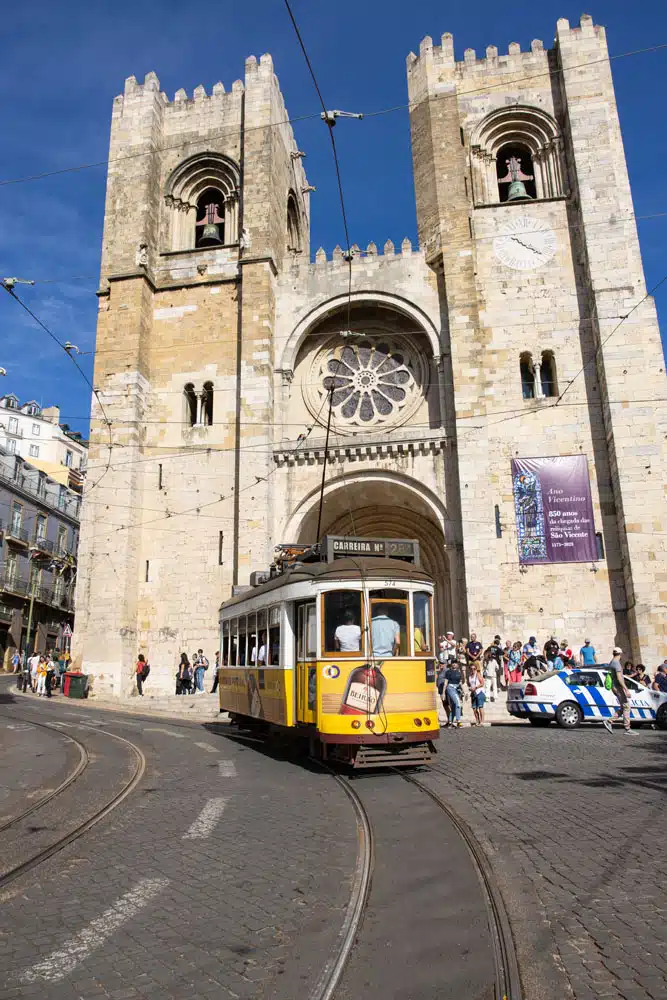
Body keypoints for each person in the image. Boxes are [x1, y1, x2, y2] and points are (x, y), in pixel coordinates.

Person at [603, 646, 634, 735]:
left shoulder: (612, 662)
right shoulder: (616, 663)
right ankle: (627, 729)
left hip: (615, 687)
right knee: (626, 706)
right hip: (618, 687)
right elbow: (619, 678)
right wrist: (626, 689)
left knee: (624, 707)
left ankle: (609, 721)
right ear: (620, 654)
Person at [443, 659, 464, 728]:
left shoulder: (459, 673)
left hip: (457, 689)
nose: (454, 664)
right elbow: (445, 683)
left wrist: (463, 691)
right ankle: (458, 721)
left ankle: (450, 722)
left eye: (455, 663)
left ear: (457, 664)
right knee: (458, 703)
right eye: (453, 663)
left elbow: (460, 683)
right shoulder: (448, 672)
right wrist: (443, 693)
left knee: (454, 706)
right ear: (451, 664)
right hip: (450, 688)